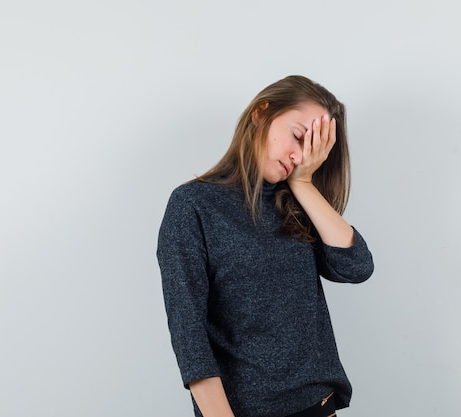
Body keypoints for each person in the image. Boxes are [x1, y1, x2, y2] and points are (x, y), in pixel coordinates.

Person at [157, 75, 374, 417]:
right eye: (299, 136)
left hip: (317, 405)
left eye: (313, 148)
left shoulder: (295, 204)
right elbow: (189, 335)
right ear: (261, 112)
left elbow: (356, 267)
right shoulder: (193, 205)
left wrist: (302, 182)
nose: (299, 154)